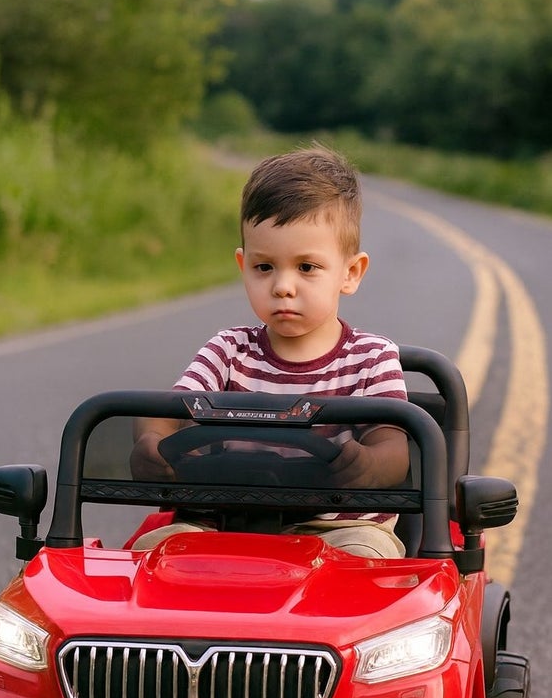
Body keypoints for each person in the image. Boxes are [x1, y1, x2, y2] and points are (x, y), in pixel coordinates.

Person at [130, 146, 410, 558]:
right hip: (223, 524)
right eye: (265, 267)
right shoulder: (228, 351)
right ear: (243, 266)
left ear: (350, 273)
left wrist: (369, 465)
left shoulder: (371, 359)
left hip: (336, 528)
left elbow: (394, 444)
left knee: (368, 559)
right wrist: (150, 441)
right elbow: (167, 411)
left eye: (307, 267)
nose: (282, 286)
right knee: (150, 552)